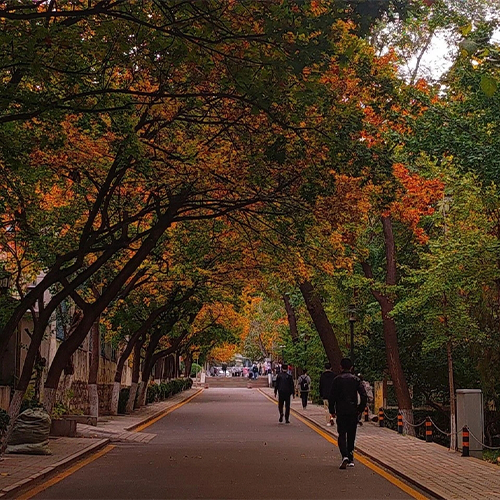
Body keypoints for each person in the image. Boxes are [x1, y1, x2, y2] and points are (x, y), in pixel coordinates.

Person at [328, 358, 367, 469]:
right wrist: (360, 408)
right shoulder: (356, 380)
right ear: (351, 368)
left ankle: (344, 455)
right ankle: (350, 458)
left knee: (342, 434)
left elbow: (332, 397)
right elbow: (363, 395)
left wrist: (332, 410)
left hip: (341, 411)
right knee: (351, 434)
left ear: (341, 367)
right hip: (353, 411)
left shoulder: (337, 380)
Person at [319, 362, 336, 426]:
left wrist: (321, 394)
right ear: (331, 367)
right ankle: (332, 417)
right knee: (332, 406)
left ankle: (328, 421)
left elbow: (321, 385)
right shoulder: (334, 375)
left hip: (325, 394)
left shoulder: (322, 375)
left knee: (326, 408)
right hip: (333, 394)